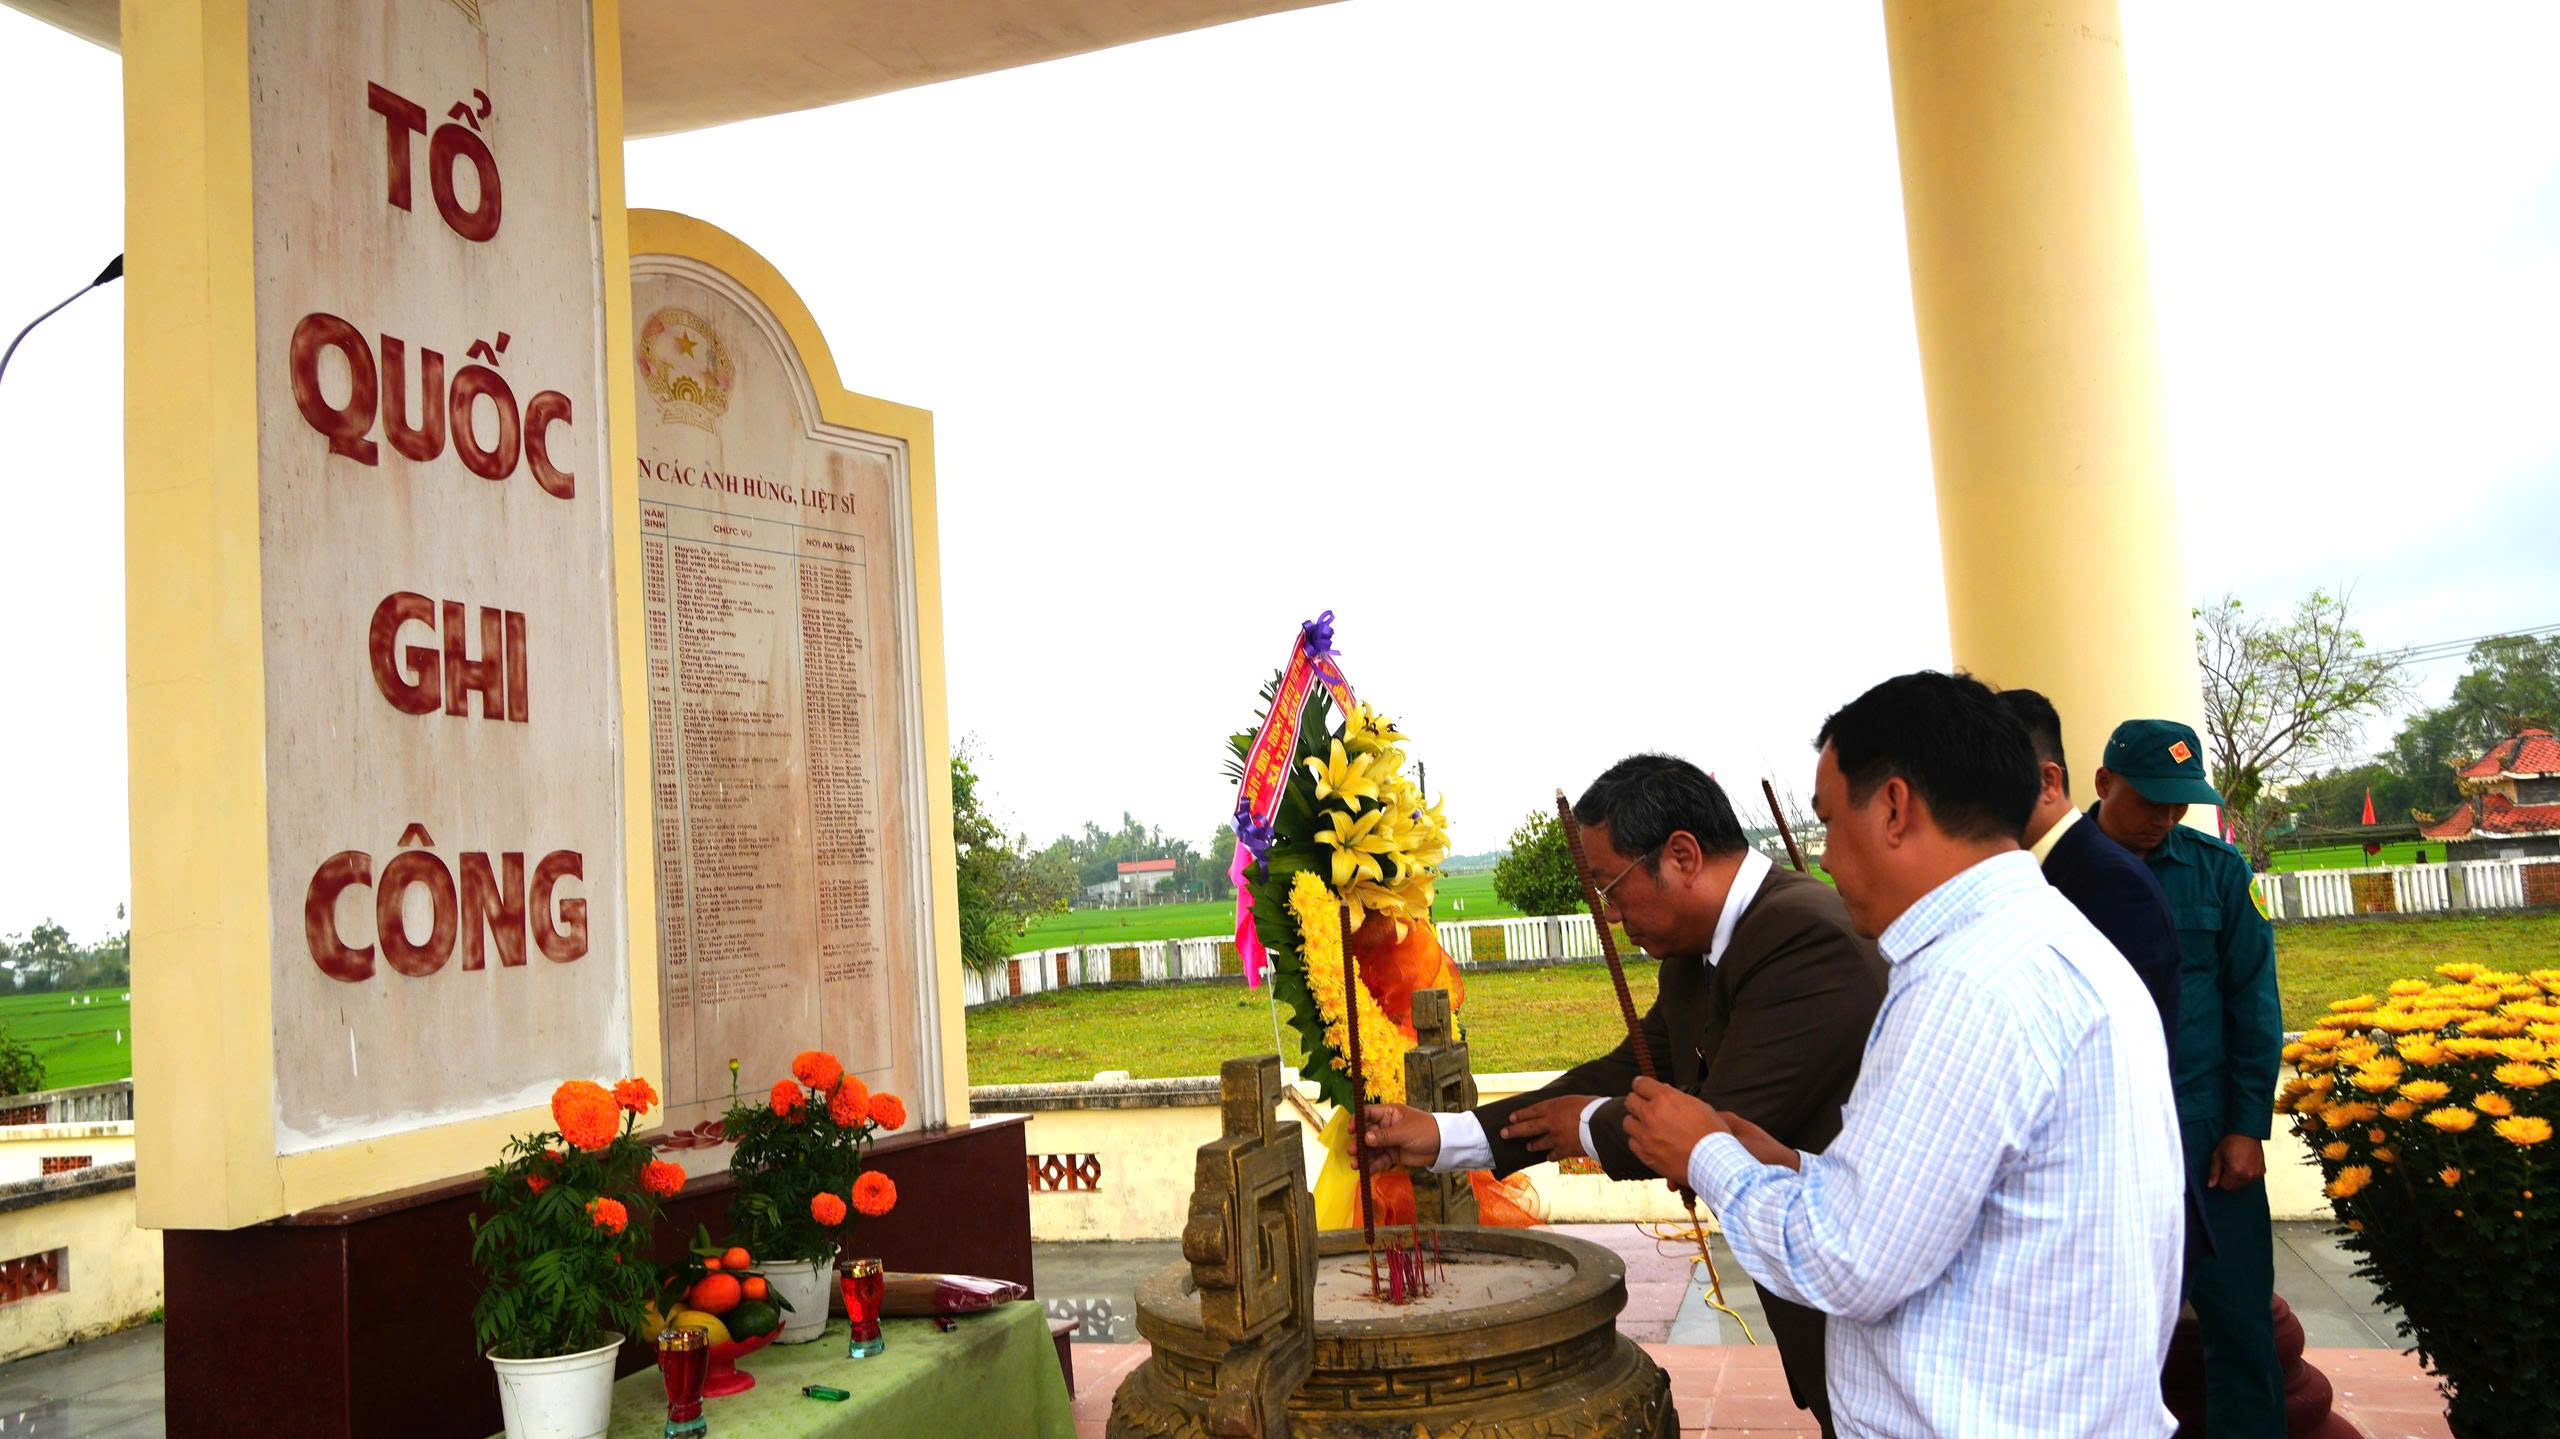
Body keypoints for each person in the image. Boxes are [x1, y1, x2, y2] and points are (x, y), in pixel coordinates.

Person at [1619, 671, 2183, 1437]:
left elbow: (1848, 1261)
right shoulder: (2047, 940)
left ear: (1892, 807)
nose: (1823, 857)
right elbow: (1944, 1207)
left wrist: (1705, 1154)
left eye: (1827, 821)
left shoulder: (1968, 985)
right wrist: (1792, 1168)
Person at [1359, 754, 1883, 1437]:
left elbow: (1717, 1132)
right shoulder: (1698, 955)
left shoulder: (1802, 936)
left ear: (1682, 855)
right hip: (1832, 1322)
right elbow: (1626, 1072)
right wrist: (1447, 1134)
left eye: (1610, 887)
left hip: (1878, 1317)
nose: (1609, 915)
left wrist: (1584, 1125)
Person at [2094, 718, 2285, 1437]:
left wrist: (2246, 1125)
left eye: (2179, 802)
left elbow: (2254, 1003)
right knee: (2105, 1331)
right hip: (2101, 1138)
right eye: (2151, 799)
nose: (2165, 817)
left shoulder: (2219, 872)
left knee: (2241, 1326)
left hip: (2205, 1137)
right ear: (2104, 783)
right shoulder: (2054, 876)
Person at [1995, 689, 2181, 1046]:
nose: (1967, 805)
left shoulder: (2115, 885)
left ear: (2049, 782)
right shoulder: (2027, 870)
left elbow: (2127, 1046)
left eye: (1987, 784)